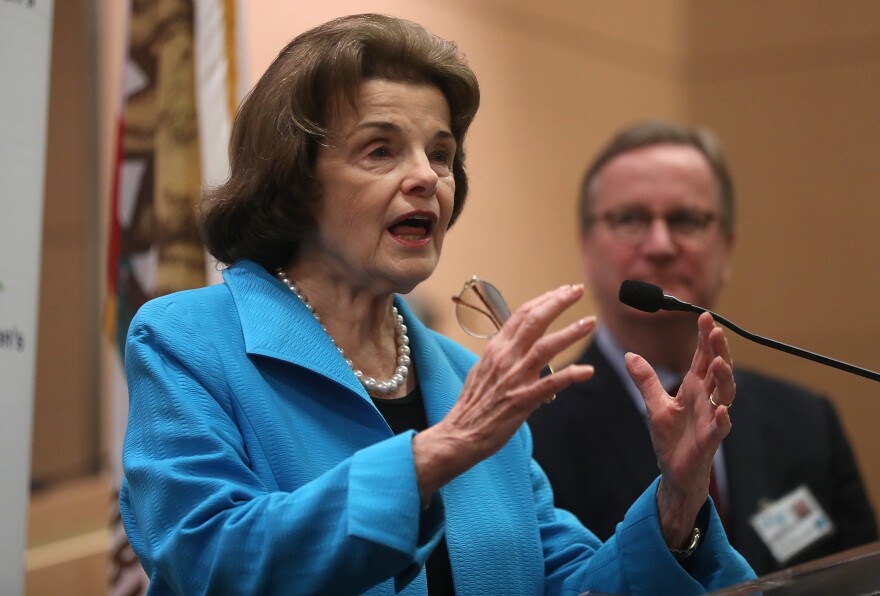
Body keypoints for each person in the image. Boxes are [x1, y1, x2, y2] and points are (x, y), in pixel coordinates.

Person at [119, 16, 756, 594]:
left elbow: (567, 584)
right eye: (381, 150)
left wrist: (677, 501)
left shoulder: (462, 380)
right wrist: (435, 454)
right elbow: (207, 560)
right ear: (294, 180)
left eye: (442, 154)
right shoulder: (189, 340)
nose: (427, 176)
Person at [528, 120, 879, 577]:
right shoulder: (534, 431)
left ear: (728, 247)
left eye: (686, 220)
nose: (659, 245)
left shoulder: (807, 421)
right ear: (586, 248)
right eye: (630, 220)